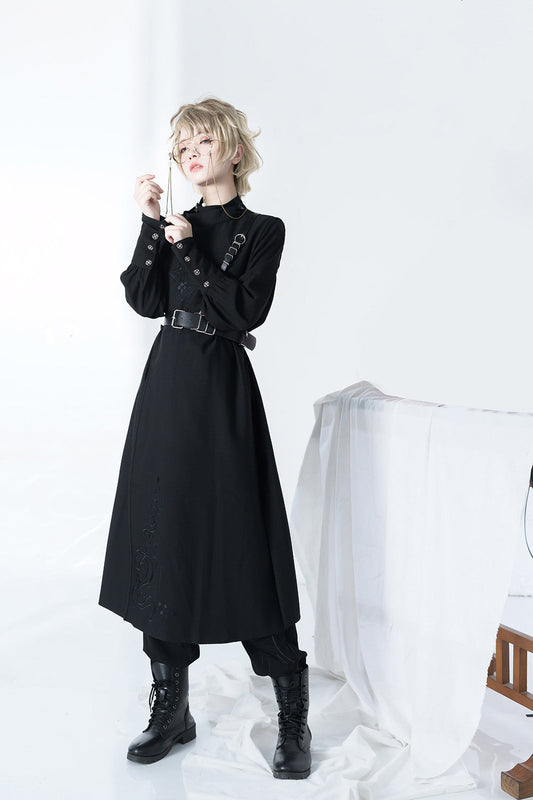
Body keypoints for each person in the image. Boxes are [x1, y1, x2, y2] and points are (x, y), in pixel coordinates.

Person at [97, 96, 311, 780]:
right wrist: (149, 224)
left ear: (234, 151)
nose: (190, 155)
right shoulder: (171, 226)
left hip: (221, 389)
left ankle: (292, 717)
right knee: (162, 531)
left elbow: (243, 309)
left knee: (242, 535)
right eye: (181, 147)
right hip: (167, 386)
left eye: (203, 143)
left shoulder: (262, 230)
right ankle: (172, 710)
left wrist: (187, 247)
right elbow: (143, 298)